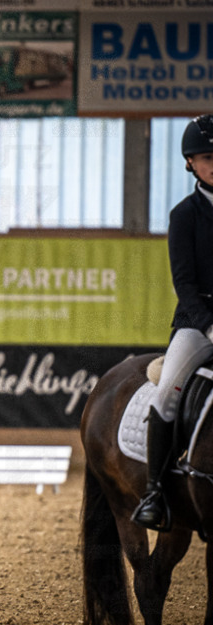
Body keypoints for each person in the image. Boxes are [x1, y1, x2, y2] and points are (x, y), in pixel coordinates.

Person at [133, 114, 213, 530]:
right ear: (190, 164)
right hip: (198, 323)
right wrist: (209, 326)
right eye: (206, 157)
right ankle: (154, 491)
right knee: (165, 395)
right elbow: (184, 283)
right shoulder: (184, 215)